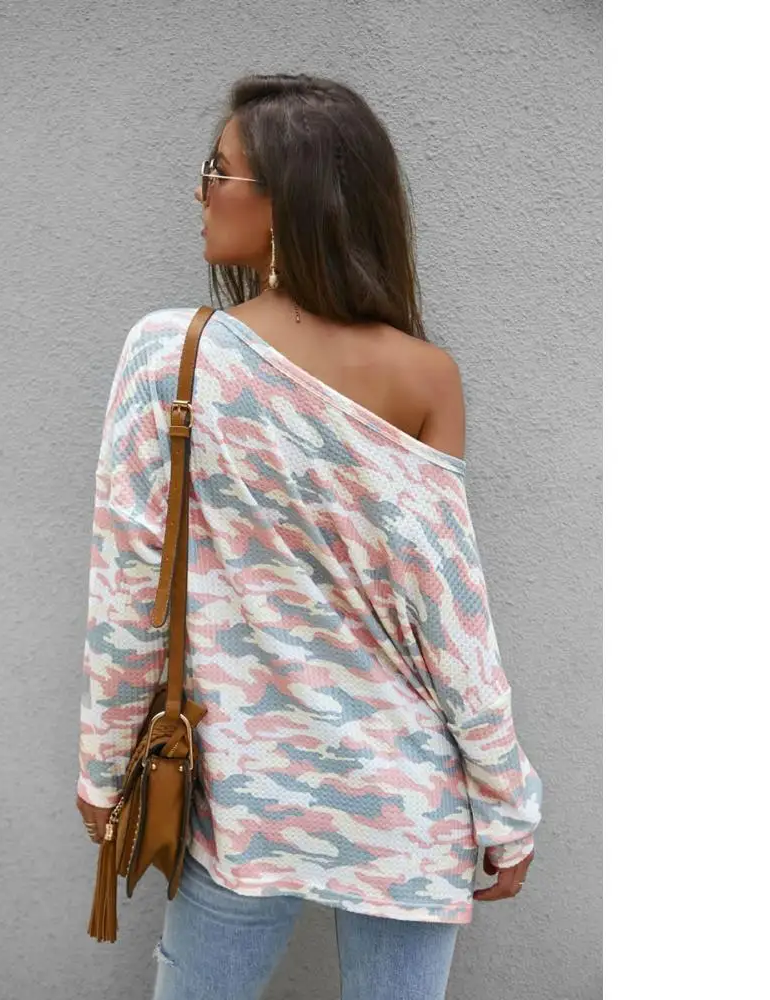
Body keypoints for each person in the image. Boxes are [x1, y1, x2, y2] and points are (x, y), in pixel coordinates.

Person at [75, 73, 543, 1000]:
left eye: (218, 172)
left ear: (286, 198)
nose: (201, 192)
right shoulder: (424, 376)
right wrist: (505, 801)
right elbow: (453, 627)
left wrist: (103, 762)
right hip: (403, 795)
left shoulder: (172, 356)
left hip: (245, 792)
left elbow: (129, 589)